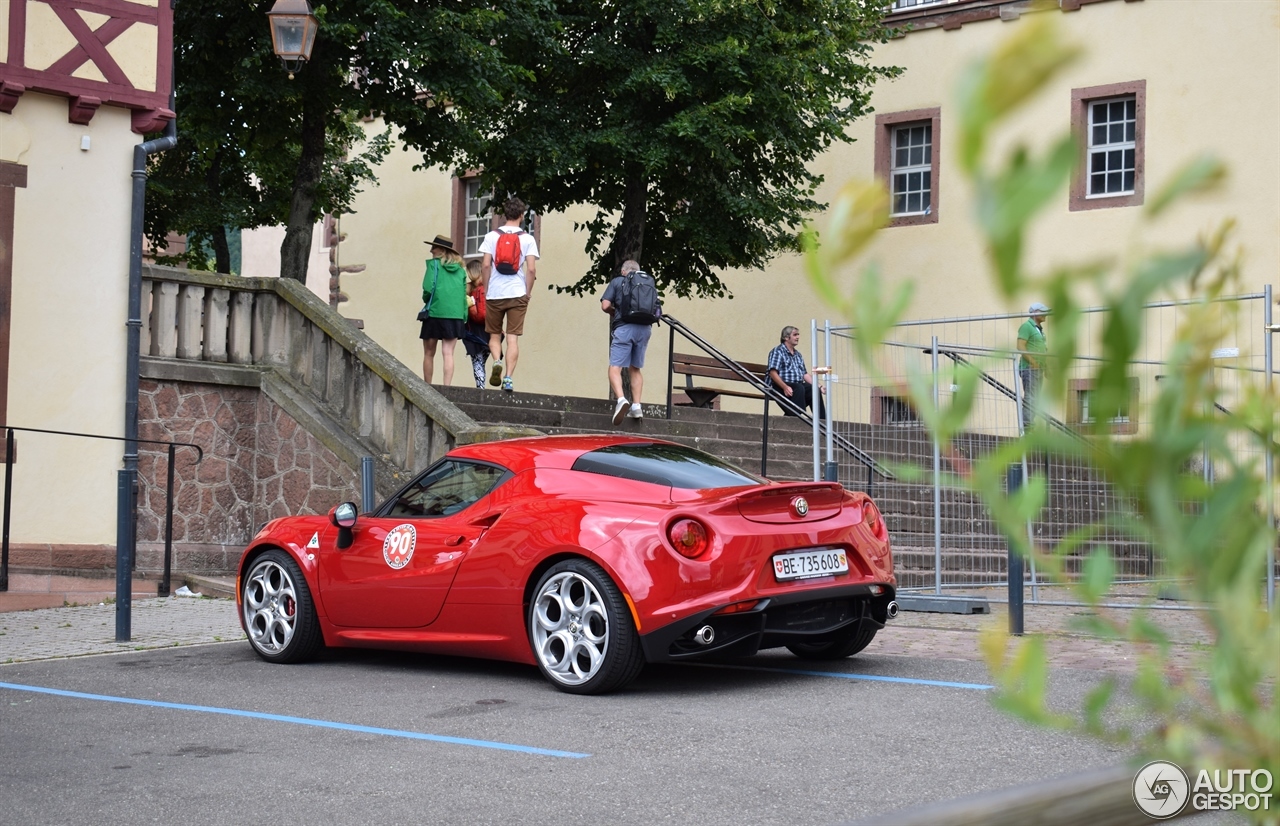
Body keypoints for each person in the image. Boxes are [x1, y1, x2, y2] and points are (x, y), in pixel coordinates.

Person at [480, 197, 539, 393]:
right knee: (513, 338)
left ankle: (497, 360)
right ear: (522, 216)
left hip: (495, 293)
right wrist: (527, 292)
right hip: (517, 293)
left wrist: (487, 289)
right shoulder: (527, 239)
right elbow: (531, 270)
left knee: (495, 336)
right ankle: (508, 378)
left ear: (505, 215)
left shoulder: (491, 236)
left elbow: (486, 265)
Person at [601, 259, 661, 425]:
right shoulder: (647, 283)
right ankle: (636, 405)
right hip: (644, 329)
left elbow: (605, 305)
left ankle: (621, 399)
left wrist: (615, 312)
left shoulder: (618, 281)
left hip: (624, 327)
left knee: (615, 367)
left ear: (623, 271)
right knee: (635, 369)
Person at [419, 234, 468, 385]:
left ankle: (428, 386)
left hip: (435, 312)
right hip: (455, 315)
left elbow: (428, 288)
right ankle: (447, 388)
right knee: (448, 353)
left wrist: (427, 301)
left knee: (429, 353)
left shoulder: (434, 265)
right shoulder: (461, 271)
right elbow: (463, 296)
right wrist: (464, 316)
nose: (431, 250)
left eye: (433, 247)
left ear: (441, 250)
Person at [767, 326, 826, 419]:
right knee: (799, 388)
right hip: (779, 386)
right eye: (795, 335)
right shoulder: (777, 351)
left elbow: (805, 375)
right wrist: (785, 387)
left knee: (813, 389)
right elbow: (773, 373)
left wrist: (820, 386)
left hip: (796, 387)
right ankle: (794, 417)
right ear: (786, 337)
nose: (798, 337)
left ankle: (822, 421)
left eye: (798, 335)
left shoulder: (798, 355)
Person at [1017, 302, 1049, 428]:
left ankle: (1030, 424)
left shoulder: (1039, 329)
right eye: (1043, 311)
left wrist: (1045, 367)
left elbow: (1043, 351)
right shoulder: (1026, 326)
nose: (1046, 314)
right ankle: (1027, 426)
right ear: (1035, 313)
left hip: (1037, 368)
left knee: (1035, 397)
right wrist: (1033, 362)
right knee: (1031, 397)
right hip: (1029, 368)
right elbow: (1020, 346)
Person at [461, 260, 491, 388]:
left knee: (477, 361)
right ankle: (481, 386)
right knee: (481, 361)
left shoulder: (471, 289)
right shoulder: (488, 287)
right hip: (490, 331)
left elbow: (474, 314)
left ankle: (481, 389)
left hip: (475, 331)